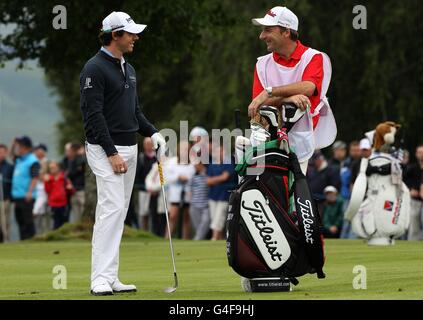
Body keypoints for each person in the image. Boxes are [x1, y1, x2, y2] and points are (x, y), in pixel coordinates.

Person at [80, 11, 166, 296]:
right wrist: (111, 152)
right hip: (105, 149)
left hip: (129, 147)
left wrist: (152, 132)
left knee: (120, 212)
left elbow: (134, 111)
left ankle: (111, 276)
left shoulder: (128, 68)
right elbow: (94, 115)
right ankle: (99, 280)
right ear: (114, 35)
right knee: (111, 209)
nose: (135, 38)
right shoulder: (94, 68)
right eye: (130, 34)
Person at [248, 6, 335, 174]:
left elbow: (309, 87)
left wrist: (269, 92)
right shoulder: (261, 64)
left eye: (268, 30)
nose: (262, 36)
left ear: (286, 32)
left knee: (295, 197)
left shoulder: (313, 57)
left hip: (298, 142)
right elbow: (256, 106)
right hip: (265, 141)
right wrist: (289, 98)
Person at [165, 141, 195, 239]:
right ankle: (167, 237)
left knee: (186, 217)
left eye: (186, 149)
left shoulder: (191, 163)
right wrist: (178, 177)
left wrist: (187, 179)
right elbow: (167, 177)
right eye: (182, 149)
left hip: (187, 193)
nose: (184, 151)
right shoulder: (172, 161)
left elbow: (192, 177)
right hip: (175, 193)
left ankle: (185, 238)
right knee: (173, 216)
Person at [11, 136, 40, 240]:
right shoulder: (19, 159)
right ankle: (23, 239)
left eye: (20, 146)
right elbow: (12, 155)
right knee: (20, 220)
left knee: (27, 220)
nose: (18, 149)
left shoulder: (33, 160)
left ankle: (31, 239)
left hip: (27, 195)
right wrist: (13, 144)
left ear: (26, 148)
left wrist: (29, 192)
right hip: (17, 195)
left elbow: (35, 178)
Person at [207, 144, 236, 241]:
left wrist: (214, 180)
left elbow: (225, 177)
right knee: (214, 217)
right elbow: (207, 181)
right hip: (213, 195)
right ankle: (218, 239)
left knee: (219, 217)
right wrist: (218, 179)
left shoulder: (228, 162)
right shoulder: (212, 164)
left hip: (224, 195)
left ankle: (214, 238)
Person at [307, 151, 340, 215]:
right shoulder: (313, 170)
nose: (313, 163)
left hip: (324, 202)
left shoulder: (330, 170)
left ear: (320, 159)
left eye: (315, 160)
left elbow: (333, 187)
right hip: (312, 200)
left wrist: (326, 197)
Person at [134, 137, 157, 231]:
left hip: (156, 191)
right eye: (146, 144)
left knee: (154, 213)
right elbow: (137, 174)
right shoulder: (141, 157)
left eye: (150, 144)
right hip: (143, 189)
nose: (148, 146)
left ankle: (154, 232)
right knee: (144, 213)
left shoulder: (157, 158)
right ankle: (144, 231)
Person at [44, 161, 74, 230]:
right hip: (53, 204)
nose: (52, 169)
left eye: (54, 168)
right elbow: (47, 191)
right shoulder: (49, 179)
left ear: (58, 168)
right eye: (51, 168)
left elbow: (71, 191)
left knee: (64, 221)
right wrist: (47, 182)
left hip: (63, 204)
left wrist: (70, 188)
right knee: (55, 222)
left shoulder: (64, 178)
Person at [403, 145, 423, 240]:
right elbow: (403, 182)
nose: (422, 154)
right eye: (419, 152)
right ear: (416, 154)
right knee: (414, 225)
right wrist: (410, 190)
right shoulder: (412, 168)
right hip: (415, 200)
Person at [188, 160, 210, 240]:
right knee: (197, 225)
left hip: (206, 205)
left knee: (205, 222)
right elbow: (189, 189)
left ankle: (197, 239)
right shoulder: (193, 176)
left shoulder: (208, 174)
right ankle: (200, 240)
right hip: (194, 204)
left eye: (195, 164)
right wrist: (191, 201)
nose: (194, 166)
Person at [32, 144, 51, 234]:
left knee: (43, 212)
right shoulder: (34, 162)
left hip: (44, 188)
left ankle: (45, 232)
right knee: (40, 212)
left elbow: (44, 175)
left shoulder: (47, 162)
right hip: (37, 188)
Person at [66, 143, 86, 223]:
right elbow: (70, 173)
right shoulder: (71, 161)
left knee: (83, 210)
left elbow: (71, 173)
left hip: (82, 189)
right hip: (74, 190)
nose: (69, 153)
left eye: (70, 151)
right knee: (76, 213)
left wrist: (81, 155)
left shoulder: (82, 159)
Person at [0, 144, 14, 242]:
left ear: (6, 153)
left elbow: (13, 183)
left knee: (5, 222)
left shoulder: (10, 167)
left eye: (2, 152)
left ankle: (6, 241)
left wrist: (10, 198)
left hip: (5, 199)